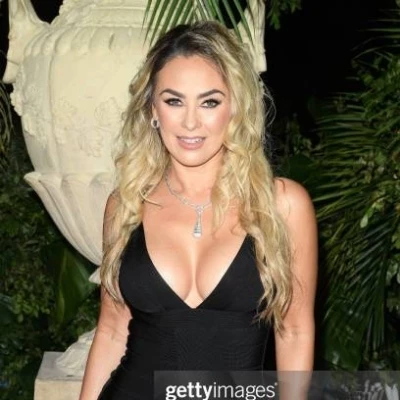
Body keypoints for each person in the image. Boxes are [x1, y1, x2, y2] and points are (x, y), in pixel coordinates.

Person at [79, 21, 317, 400]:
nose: (190, 122)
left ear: (235, 108)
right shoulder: (125, 205)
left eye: (210, 102)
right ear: (152, 108)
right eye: (174, 101)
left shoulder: (282, 206)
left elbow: (295, 331)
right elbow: (111, 328)